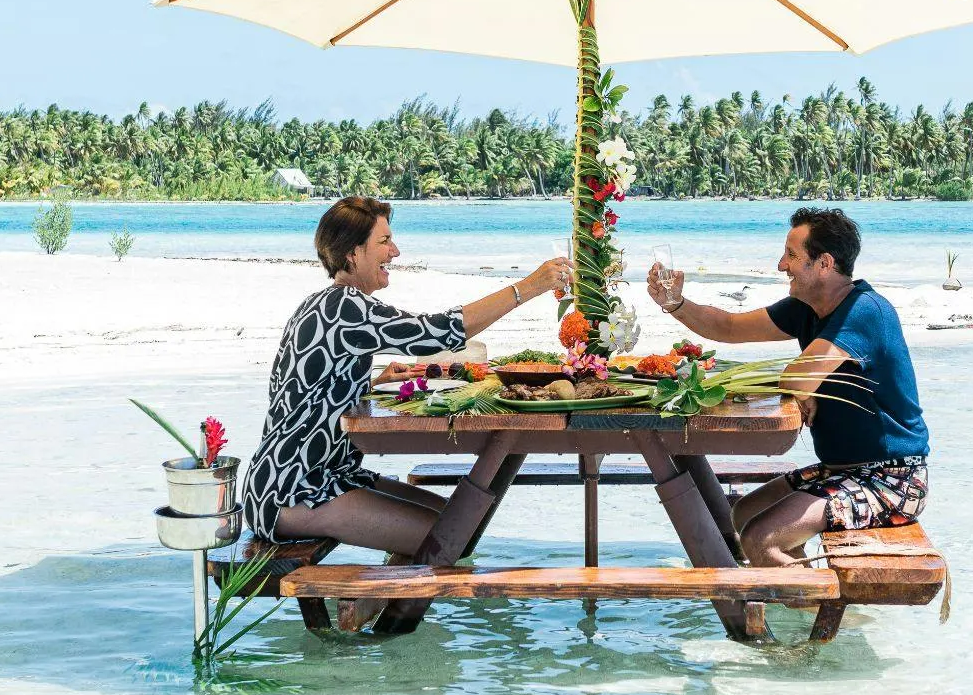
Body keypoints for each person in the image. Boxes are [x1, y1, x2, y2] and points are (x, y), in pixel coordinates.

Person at [239, 197, 571, 556]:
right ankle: (377, 604)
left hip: (320, 478)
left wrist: (370, 384)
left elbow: (302, 389)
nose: (395, 251)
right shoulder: (344, 307)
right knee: (450, 540)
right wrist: (527, 287)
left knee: (457, 523)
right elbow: (437, 334)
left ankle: (394, 596)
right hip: (294, 491)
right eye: (384, 242)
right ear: (352, 252)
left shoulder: (320, 303)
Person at [647, 207, 929, 566]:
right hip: (842, 469)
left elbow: (798, 377)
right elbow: (730, 328)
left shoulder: (864, 311)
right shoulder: (807, 307)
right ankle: (802, 597)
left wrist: (804, 386)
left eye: (792, 255)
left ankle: (809, 617)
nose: (781, 265)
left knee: (762, 539)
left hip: (891, 479)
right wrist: (676, 304)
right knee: (744, 514)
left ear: (824, 263)